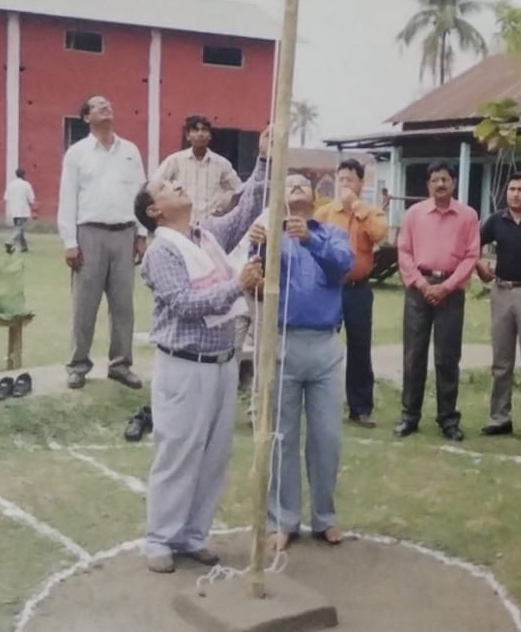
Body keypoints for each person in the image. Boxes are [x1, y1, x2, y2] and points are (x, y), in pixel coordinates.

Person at [134, 128, 270, 573]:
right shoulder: (161, 252)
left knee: (214, 454)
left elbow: (247, 209)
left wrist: (265, 161)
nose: (177, 185)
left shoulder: (205, 235)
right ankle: (160, 538)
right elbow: (185, 305)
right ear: (155, 211)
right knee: (178, 451)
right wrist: (238, 285)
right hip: (184, 365)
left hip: (223, 362)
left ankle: (193, 535)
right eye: (166, 186)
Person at [249, 174, 354, 550]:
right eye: (288, 181)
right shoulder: (269, 235)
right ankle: (283, 519)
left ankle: (325, 516)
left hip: (325, 345)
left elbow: (343, 265)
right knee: (282, 435)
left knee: (327, 437)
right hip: (283, 342)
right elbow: (255, 282)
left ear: (314, 195)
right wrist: (257, 248)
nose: (294, 185)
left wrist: (309, 239)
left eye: (301, 182)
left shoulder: (332, 233)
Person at [57, 95, 147, 392]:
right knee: (85, 305)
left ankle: (121, 365)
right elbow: (68, 197)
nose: (106, 106)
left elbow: (141, 195)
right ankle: (77, 365)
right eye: (98, 105)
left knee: (123, 305)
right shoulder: (77, 153)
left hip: (124, 233)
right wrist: (70, 241)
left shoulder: (130, 151)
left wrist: (141, 234)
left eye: (108, 103)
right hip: (89, 233)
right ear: (86, 117)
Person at [393, 161, 480, 441]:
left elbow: (472, 255)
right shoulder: (414, 214)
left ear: (453, 183)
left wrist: (446, 287)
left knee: (447, 357)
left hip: (451, 291)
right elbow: (404, 252)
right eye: (435, 180)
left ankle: (448, 419)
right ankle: (409, 416)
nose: (440, 184)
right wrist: (422, 284)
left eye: (445, 179)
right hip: (419, 289)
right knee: (414, 354)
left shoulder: (468, 216)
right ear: (428, 184)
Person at [314, 158, 389, 427]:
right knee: (323, 345)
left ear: (361, 183)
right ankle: (321, 403)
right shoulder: (324, 213)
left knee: (359, 347)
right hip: (329, 289)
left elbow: (379, 234)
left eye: (350, 180)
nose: (345, 184)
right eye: (341, 179)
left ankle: (360, 408)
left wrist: (356, 207)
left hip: (358, 290)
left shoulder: (371, 212)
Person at [476, 171, 521, 444]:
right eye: (511, 189)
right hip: (501, 292)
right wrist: (479, 266)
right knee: (501, 360)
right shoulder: (496, 220)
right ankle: (499, 417)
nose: (515, 194)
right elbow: (471, 244)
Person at [155, 114, 242, 223]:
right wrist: (172, 191)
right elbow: (155, 184)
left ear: (210, 136)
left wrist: (225, 205)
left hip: (211, 225)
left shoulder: (221, 164)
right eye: (195, 130)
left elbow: (239, 190)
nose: (200, 134)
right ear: (188, 136)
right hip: (182, 223)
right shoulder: (175, 160)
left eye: (204, 130)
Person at [3, 167, 36, 253]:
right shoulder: (26, 185)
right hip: (23, 210)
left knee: (19, 228)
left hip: (13, 211)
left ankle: (24, 247)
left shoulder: (10, 185)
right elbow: (31, 199)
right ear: (24, 175)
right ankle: (10, 241)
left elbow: (6, 197)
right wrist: (33, 207)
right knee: (19, 228)